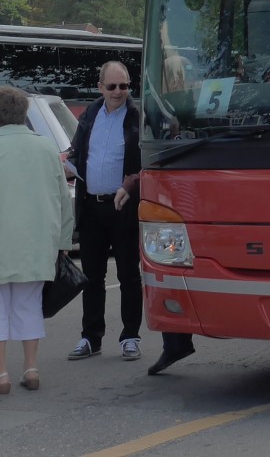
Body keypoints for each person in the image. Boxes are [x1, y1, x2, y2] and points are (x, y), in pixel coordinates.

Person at [0, 87, 73, 397]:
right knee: (28, 305)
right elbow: (62, 199)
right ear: (24, 114)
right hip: (38, 241)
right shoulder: (45, 147)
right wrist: (63, 239)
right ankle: (31, 367)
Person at [64, 62, 142, 361]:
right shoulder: (91, 113)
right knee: (92, 276)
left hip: (123, 206)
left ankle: (130, 337)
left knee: (128, 276)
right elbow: (77, 150)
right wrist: (69, 165)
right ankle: (90, 337)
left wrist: (132, 185)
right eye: (112, 87)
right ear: (100, 87)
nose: (119, 92)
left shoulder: (138, 115)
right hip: (92, 206)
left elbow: (148, 159)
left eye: (124, 86)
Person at [114, 179, 195, 375]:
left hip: (180, 202)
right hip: (164, 207)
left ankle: (176, 343)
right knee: (167, 270)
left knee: (172, 267)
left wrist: (131, 183)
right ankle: (175, 344)